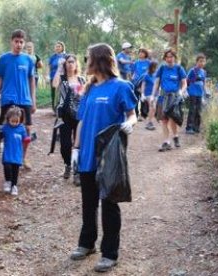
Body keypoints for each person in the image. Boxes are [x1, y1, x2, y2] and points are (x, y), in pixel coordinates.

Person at [69, 43, 137, 273]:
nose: (85, 62)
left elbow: (132, 114)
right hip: (87, 154)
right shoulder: (89, 89)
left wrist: (129, 124)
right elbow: (81, 121)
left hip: (108, 156)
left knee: (109, 204)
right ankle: (87, 244)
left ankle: (110, 253)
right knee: (88, 203)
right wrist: (75, 149)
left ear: (98, 61)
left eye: (88, 58)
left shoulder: (121, 87)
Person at [0, 29, 36, 170]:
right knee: (2, 129)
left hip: (25, 100)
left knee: (27, 129)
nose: (19, 44)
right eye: (16, 41)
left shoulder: (29, 60)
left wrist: (33, 100)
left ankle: (22, 157)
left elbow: (31, 80)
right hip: (8, 99)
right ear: (12, 41)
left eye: (21, 42)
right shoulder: (3, 59)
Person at [53, 54, 85, 185]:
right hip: (64, 115)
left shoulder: (82, 80)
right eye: (68, 62)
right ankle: (67, 164)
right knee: (65, 145)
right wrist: (60, 68)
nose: (70, 64)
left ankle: (76, 172)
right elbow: (54, 85)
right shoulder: (61, 78)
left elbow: (85, 95)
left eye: (73, 62)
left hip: (79, 115)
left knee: (78, 145)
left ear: (76, 64)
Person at [150, 49, 187, 152]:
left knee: (173, 119)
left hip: (174, 98)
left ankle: (175, 136)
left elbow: (184, 83)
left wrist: (181, 92)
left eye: (171, 56)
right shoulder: (162, 68)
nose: (169, 59)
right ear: (165, 58)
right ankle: (166, 142)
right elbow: (156, 83)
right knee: (164, 120)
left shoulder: (179, 68)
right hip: (163, 97)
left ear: (174, 57)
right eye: (167, 57)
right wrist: (153, 95)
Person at [1, 107, 30, 196]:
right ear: (8, 119)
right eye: (12, 121)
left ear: (19, 120)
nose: (14, 123)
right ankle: (8, 182)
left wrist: (28, 139)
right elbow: (0, 135)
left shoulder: (22, 128)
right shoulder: (5, 128)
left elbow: (25, 138)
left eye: (16, 121)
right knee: (7, 168)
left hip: (17, 154)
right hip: (7, 153)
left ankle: (14, 185)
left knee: (15, 170)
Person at [186, 54, 207, 134]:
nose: (202, 63)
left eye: (203, 61)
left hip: (200, 94)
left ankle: (196, 127)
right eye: (200, 61)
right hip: (192, 93)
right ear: (196, 62)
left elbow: (204, 83)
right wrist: (186, 91)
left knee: (198, 110)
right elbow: (186, 80)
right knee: (192, 110)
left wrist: (205, 93)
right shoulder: (192, 70)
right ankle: (189, 127)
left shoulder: (204, 72)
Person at [131, 48, 151, 120]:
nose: (141, 54)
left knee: (144, 99)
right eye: (139, 52)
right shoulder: (136, 63)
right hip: (136, 83)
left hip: (145, 83)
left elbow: (151, 72)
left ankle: (143, 114)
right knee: (136, 98)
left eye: (142, 52)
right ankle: (136, 114)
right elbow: (132, 72)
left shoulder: (148, 62)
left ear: (145, 54)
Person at [48, 41, 66, 111]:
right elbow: (49, 66)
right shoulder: (52, 57)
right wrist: (48, 76)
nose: (57, 48)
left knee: (61, 92)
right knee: (53, 93)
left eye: (59, 46)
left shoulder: (65, 55)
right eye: (56, 46)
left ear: (62, 47)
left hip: (62, 76)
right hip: (53, 77)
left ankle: (61, 108)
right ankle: (54, 108)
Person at [141, 61, 158, 130]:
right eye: (154, 67)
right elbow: (143, 85)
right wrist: (142, 94)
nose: (156, 68)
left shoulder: (156, 74)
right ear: (151, 67)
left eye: (156, 67)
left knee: (154, 109)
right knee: (152, 107)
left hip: (155, 94)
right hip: (148, 94)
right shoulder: (146, 75)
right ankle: (149, 123)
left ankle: (150, 121)